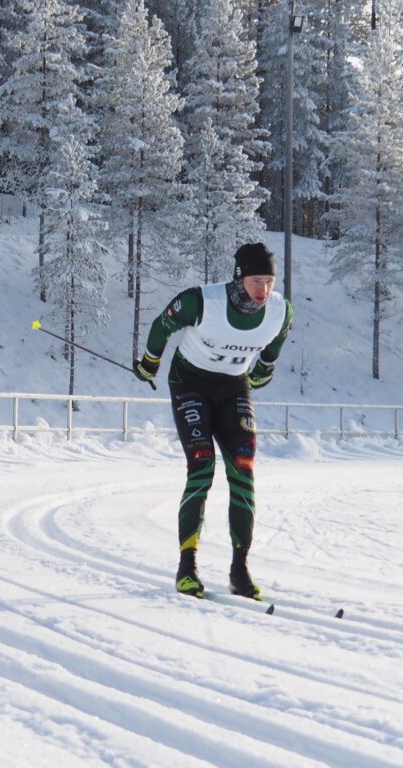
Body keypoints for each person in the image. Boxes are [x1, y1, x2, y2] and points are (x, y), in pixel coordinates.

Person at [133, 243, 294, 600]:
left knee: (243, 469)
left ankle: (240, 569)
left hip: (233, 387)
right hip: (190, 383)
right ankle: (187, 567)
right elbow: (163, 325)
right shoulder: (202, 302)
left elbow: (277, 339)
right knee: (202, 465)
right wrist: (149, 362)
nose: (263, 290)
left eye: (269, 281)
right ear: (239, 278)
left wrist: (265, 368)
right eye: (255, 280)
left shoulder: (280, 310)